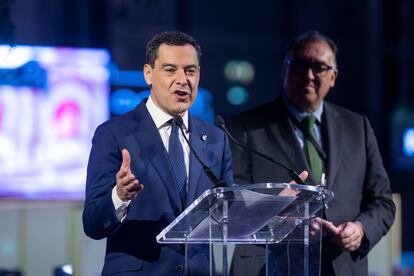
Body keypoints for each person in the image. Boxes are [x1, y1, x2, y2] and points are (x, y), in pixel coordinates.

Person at [227, 31, 395, 275]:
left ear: (333, 76)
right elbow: (233, 206)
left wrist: (360, 229)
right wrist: (284, 220)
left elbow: (383, 202)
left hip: (342, 266)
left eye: (319, 67)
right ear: (283, 70)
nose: (308, 75)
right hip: (270, 267)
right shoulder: (244, 127)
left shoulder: (358, 127)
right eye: (300, 65)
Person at [83, 31, 233, 275]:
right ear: (148, 74)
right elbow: (92, 224)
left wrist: (278, 205)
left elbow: (228, 212)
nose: (182, 80)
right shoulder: (113, 134)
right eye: (170, 70)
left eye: (190, 71)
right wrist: (119, 196)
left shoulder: (216, 138)